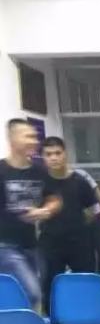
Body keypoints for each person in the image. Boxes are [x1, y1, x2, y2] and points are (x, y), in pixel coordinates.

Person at [0, 119, 61, 308]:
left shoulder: (39, 170)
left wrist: (45, 210)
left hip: (31, 244)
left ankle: (16, 322)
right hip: (5, 245)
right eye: (28, 136)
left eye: (35, 136)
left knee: (31, 293)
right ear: (13, 139)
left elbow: (54, 199)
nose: (34, 141)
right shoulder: (1, 170)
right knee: (32, 292)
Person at [40, 137, 97, 314]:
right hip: (50, 243)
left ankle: (85, 318)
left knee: (85, 282)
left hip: (79, 242)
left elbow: (92, 211)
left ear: (65, 154)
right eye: (49, 154)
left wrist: (76, 226)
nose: (54, 157)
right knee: (49, 285)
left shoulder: (80, 181)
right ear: (43, 157)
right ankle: (51, 322)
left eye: (57, 153)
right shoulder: (41, 184)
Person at [76, 169, 100, 282]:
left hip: (96, 215)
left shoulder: (80, 173)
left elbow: (96, 190)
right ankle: (90, 279)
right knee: (87, 251)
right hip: (80, 220)